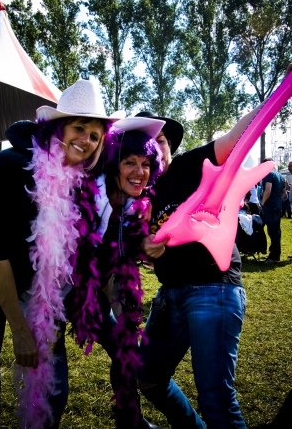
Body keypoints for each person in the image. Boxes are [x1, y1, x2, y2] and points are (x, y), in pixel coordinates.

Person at [0, 79, 120, 429]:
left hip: (6, 270)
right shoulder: (13, 167)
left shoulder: (72, 177)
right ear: (56, 128)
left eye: (95, 135)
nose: (87, 141)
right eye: (80, 128)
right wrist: (20, 328)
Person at [133, 103, 274, 428]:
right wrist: (145, 247)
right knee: (148, 378)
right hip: (170, 298)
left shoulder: (188, 166)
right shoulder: (140, 190)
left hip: (214, 287)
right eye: (145, 145)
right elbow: (138, 244)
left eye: (161, 142)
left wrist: (281, 90)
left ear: (170, 147)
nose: (154, 150)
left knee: (216, 400)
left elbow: (237, 137)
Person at [68, 117, 166, 429]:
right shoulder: (86, 198)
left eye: (146, 164)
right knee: (119, 345)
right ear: (113, 165)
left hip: (103, 285)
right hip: (68, 292)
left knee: (126, 347)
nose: (140, 172)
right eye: (130, 163)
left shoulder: (133, 204)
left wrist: (147, 246)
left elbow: (130, 251)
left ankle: (130, 419)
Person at [260, 159, 286, 264]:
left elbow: (268, 190)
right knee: (276, 231)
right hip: (277, 206)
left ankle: (274, 256)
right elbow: (284, 193)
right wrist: (277, 199)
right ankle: (275, 254)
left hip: (270, 207)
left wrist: (263, 202)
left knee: (273, 232)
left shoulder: (268, 174)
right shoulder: (279, 175)